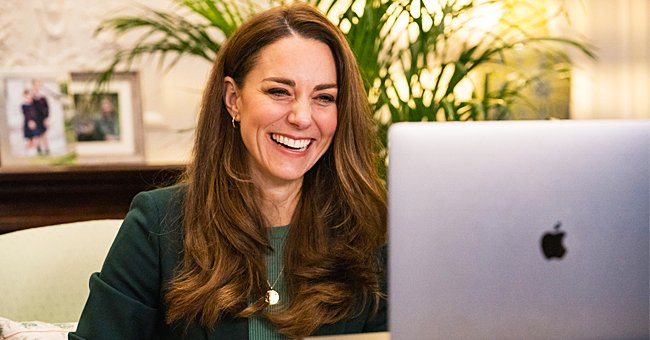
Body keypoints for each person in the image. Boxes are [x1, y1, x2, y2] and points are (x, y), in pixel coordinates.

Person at [70, 3, 387, 339]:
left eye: (324, 97)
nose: (302, 117)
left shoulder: (372, 227)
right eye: (279, 91)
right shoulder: (157, 224)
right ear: (233, 99)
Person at [31, 80, 50, 155]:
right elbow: (29, 109)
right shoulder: (31, 97)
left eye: (38, 85)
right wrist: (31, 120)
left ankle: (47, 149)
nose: (37, 87)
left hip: (42, 118)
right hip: (35, 119)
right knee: (37, 135)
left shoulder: (43, 98)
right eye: (35, 85)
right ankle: (39, 150)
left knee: (44, 134)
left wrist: (47, 118)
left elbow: (47, 108)